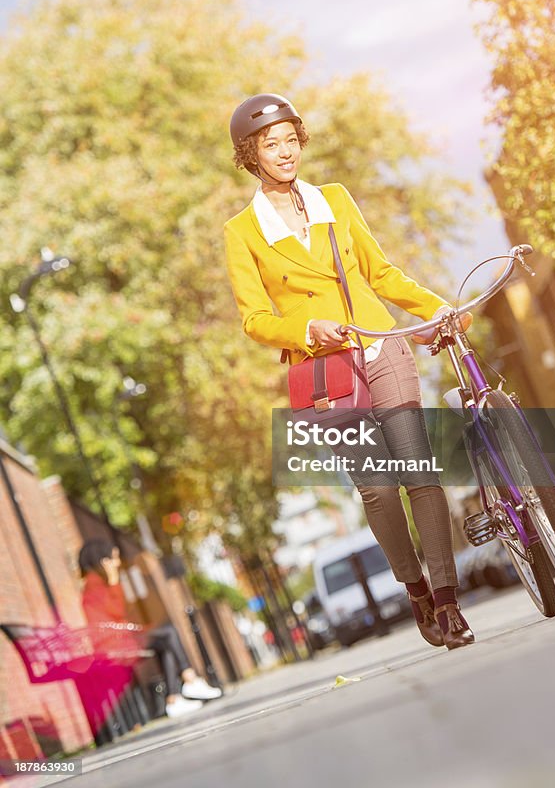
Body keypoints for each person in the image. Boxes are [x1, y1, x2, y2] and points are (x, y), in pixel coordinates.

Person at [223, 93, 475, 650]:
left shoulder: (334, 199)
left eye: (292, 140)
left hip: (382, 348)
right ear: (251, 154)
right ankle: (416, 589)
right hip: (326, 372)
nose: (286, 152)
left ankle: (450, 599)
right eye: (272, 144)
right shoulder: (242, 231)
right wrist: (307, 329)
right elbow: (254, 319)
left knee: (420, 474)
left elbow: (381, 273)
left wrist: (433, 307)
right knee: (380, 491)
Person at [78, 539, 222, 718]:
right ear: (103, 562)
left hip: (120, 640)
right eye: (114, 559)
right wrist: (114, 581)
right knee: (168, 633)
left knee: (165, 640)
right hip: (112, 646)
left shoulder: (98, 584)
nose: (118, 563)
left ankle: (174, 700)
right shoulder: (94, 586)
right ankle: (189, 680)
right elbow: (117, 611)